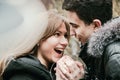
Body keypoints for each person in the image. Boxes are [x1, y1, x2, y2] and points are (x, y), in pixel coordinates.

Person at [0, 7, 73, 80]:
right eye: (57, 34)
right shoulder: (22, 76)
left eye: (65, 36)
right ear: (38, 38)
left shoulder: (56, 72)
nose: (65, 42)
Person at [60, 0, 117, 80]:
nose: (71, 33)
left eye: (75, 26)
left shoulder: (115, 58)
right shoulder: (99, 52)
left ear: (96, 26)